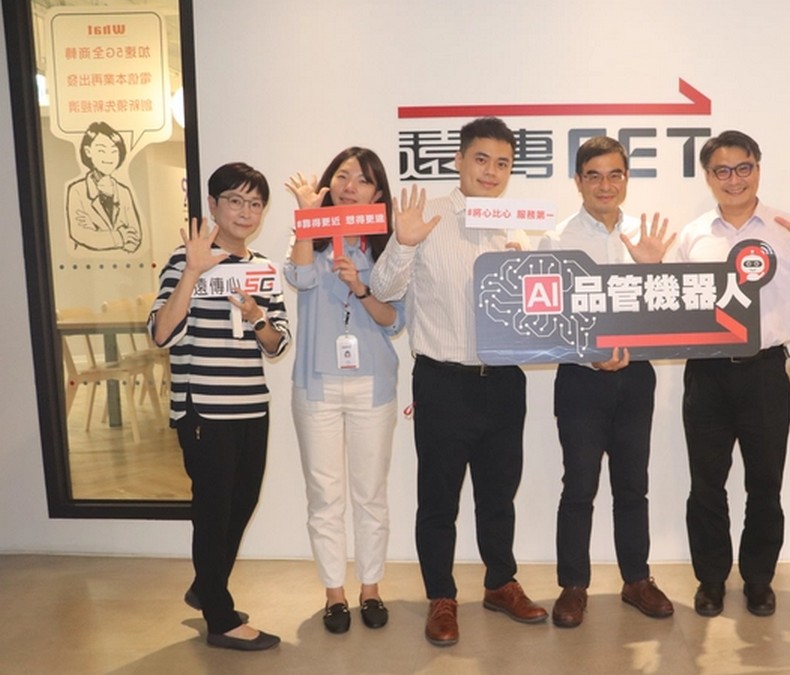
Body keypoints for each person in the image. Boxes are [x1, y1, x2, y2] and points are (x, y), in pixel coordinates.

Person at [370, 116, 546, 646]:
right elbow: (383, 288)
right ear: (459, 160)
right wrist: (403, 243)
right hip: (443, 380)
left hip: (505, 381)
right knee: (438, 499)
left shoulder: (518, 226)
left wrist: (527, 274)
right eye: (481, 159)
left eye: (502, 163)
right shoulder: (427, 216)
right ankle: (441, 597)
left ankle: (500, 583)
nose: (491, 171)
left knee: (499, 494)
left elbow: (537, 313)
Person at [672, 130, 790, 618]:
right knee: (706, 485)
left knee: (765, 484)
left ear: (758, 169)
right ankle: (711, 579)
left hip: (764, 371)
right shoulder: (692, 235)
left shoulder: (786, 229)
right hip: (706, 374)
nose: (734, 179)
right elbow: (675, 306)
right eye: (722, 170)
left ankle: (759, 579)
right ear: (708, 177)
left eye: (743, 168)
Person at [148, 162, 290, 651]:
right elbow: (160, 333)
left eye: (255, 204)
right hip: (204, 410)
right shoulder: (184, 260)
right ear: (213, 205)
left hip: (251, 405)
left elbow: (277, 343)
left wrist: (256, 316)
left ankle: (205, 587)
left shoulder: (263, 268)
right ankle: (220, 617)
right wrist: (192, 272)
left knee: (241, 504)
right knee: (212, 511)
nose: (245, 212)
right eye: (235, 201)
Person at [538, 136, 676, 628]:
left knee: (633, 485)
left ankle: (637, 579)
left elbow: (667, 313)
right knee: (578, 485)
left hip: (637, 378)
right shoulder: (556, 240)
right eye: (593, 175)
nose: (605, 185)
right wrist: (589, 356)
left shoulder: (647, 236)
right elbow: (547, 321)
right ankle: (573, 586)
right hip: (580, 381)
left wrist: (653, 269)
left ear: (626, 179)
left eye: (615, 174)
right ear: (578, 181)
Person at [283, 147, 406, 634]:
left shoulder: (388, 250)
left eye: (363, 179)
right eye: (342, 175)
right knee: (324, 495)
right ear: (329, 185)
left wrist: (361, 287)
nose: (350, 185)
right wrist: (306, 220)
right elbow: (298, 277)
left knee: (370, 493)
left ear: (378, 193)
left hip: (372, 384)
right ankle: (334, 593)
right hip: (316, 384)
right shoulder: (309, 239)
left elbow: (394, 320)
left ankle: (370, 588)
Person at [65, 121, 143, 253]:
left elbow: (135, 238)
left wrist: (104, 237)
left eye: (114, 151)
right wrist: (120, 237)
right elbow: (81, 234)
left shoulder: (123, 191)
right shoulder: (77, 190)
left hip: (126, 262)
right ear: (88, 151)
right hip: (87, 263)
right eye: (101, 150)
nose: (109, 157)